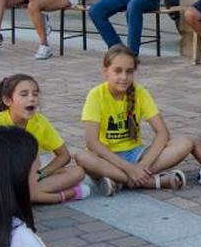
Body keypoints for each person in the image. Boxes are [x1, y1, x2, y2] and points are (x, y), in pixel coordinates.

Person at [73, 45, 194, 196]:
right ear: (105, 71)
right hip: (106, 157)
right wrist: (129, 169)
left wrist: (142, 166)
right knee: (81, 157)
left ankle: (120, 181)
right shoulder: (96, 95)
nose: (124, 77)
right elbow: (92, 142)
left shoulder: (140, 92)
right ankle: (150, 181)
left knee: (185, 143)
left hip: (136, 154)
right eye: (118, 71)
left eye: (129, 72)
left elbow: (162, 132)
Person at [0, 74, 89, 204]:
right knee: (15, 192)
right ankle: (66, 194)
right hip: (3, 182)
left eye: (35, 94)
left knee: (77, 172)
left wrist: (41, 174)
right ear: (7, 101)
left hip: (31, 180)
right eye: (24, 94)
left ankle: (31, 196)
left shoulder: (39, 121)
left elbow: (64, 155)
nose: (32, 99)